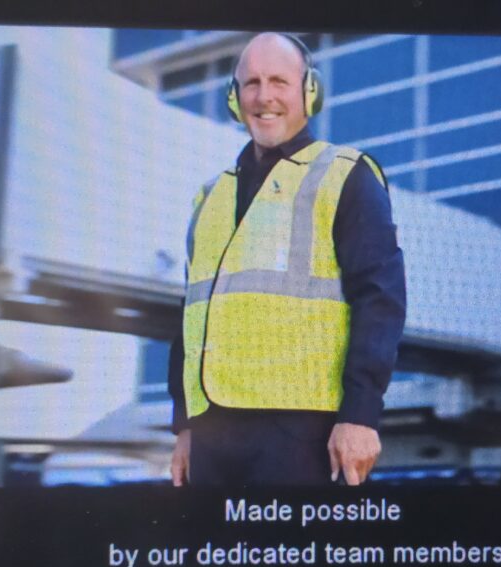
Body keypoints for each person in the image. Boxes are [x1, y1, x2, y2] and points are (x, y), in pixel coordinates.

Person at [167, 32, 406, 486]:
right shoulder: (210, 196)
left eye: (279, 81)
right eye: (251, 83)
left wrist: (361, 413)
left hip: (303, 433)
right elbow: (191, 317)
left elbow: (381, 300)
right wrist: (185, 425)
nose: (264, 96)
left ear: (308, 92)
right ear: (234, 98)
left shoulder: (345, 176)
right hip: (213, 434)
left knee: (296, 556)